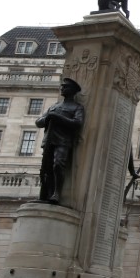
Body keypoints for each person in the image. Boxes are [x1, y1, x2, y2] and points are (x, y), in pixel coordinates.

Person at [35, 77, 85, 205]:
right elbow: (39, 122)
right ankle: (46, 193)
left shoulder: (76, 107)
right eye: (62, 86)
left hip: (63, 141)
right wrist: (48, 118)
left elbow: (77, 123)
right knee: (46, 168)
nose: (62, 88)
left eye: (65, 87)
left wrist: (57, 117)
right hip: (49, 141)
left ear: (72, 91)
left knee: (58, 164)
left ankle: (57, 193)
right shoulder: (54, 106)